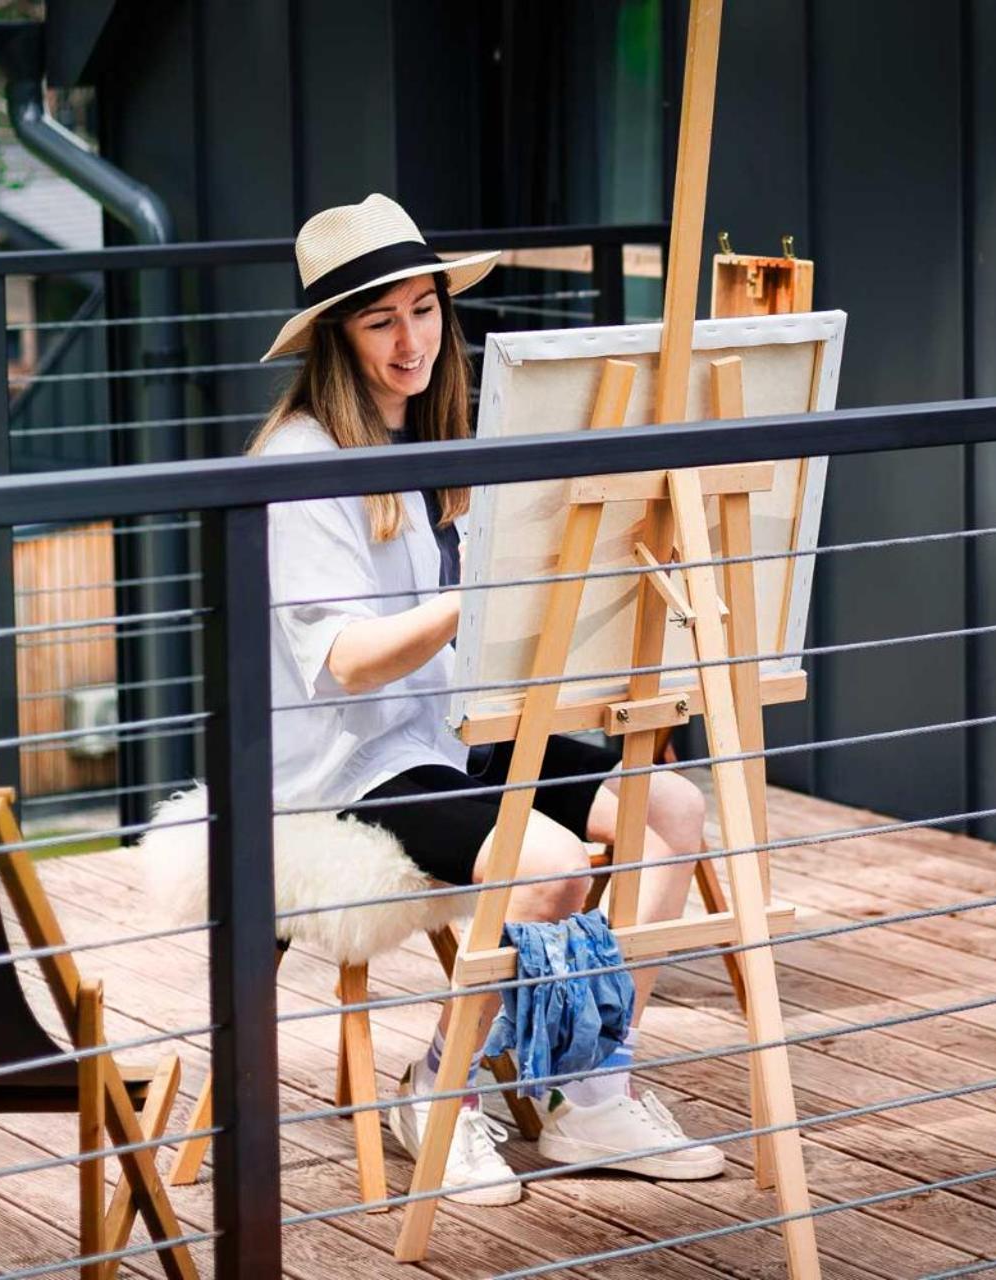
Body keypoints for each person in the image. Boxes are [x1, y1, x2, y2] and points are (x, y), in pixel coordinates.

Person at [254, 194, 723, 1206]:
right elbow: (346, 661)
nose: (410, 339)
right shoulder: (302, 462)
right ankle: (439, 1090)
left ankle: (592, 1089)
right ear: (336, 338)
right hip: (347, 769)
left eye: (424, 310)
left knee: (671, 809)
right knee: (548, 864)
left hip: (450, 736)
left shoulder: (440, 437)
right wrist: (476, 602)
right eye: (381, 321)